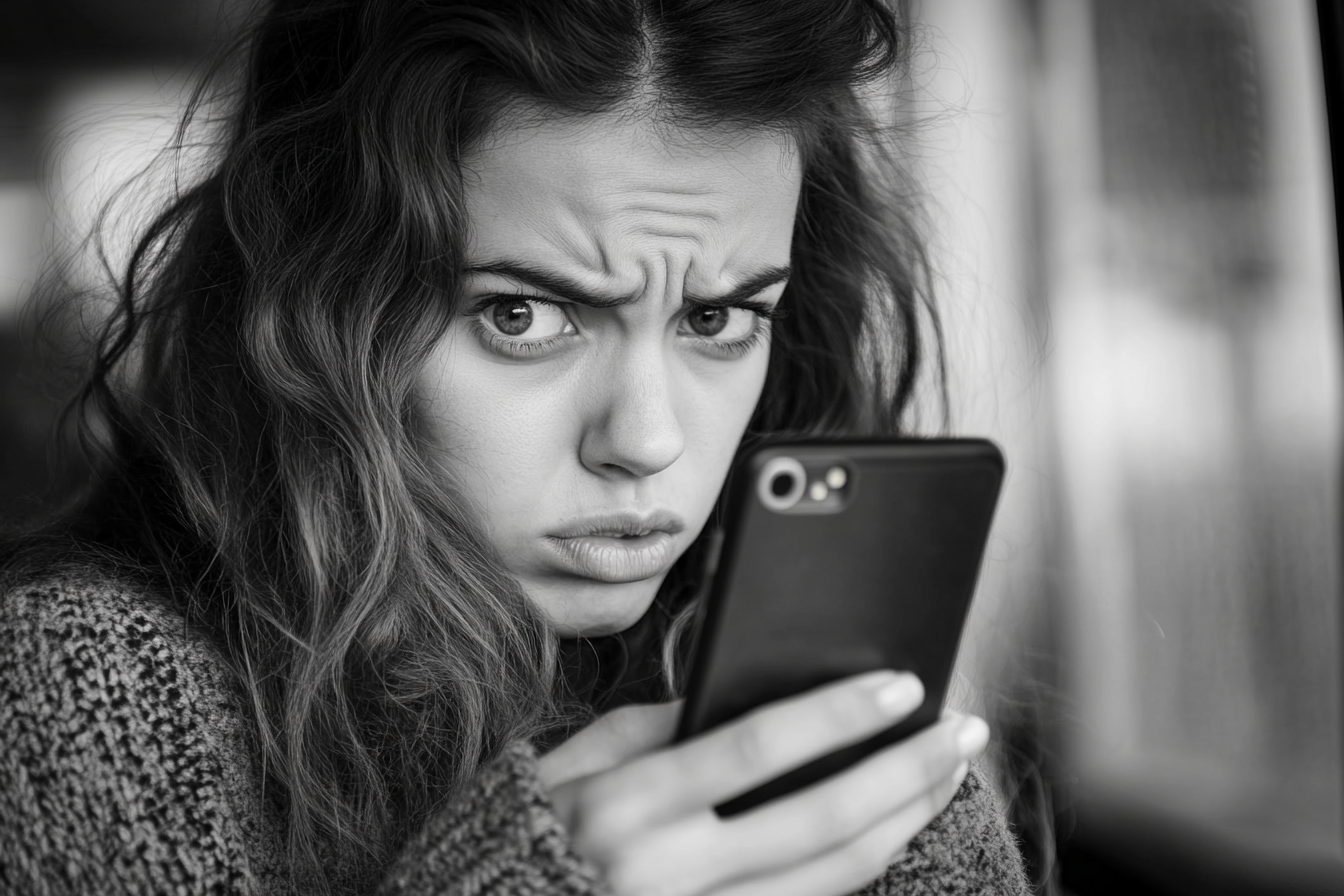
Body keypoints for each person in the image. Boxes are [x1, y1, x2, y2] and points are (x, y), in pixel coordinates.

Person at [0, 1, 1030, 893]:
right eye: (526, 316)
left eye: (717, 321)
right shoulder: (85, 686)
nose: (647, 440)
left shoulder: (768, 687)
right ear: (318, 306)